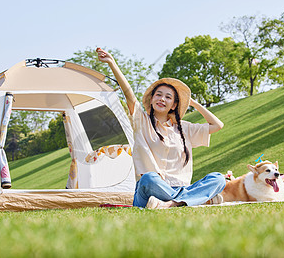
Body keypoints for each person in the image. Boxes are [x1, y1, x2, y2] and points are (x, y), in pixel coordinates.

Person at [97, 47, 226, 209]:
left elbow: (217, 125)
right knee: (148, 178)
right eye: (158, 94)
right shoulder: (141, 121)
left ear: (174, 105)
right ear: (151, 99)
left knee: (218, 178)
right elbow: (128, 94)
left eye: (168, 97)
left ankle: (172, 204)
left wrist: (192, 102)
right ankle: (195, 199)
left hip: (180, 187)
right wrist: (112, 64)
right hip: (151, 189)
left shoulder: (184, 128)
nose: (162, 99)